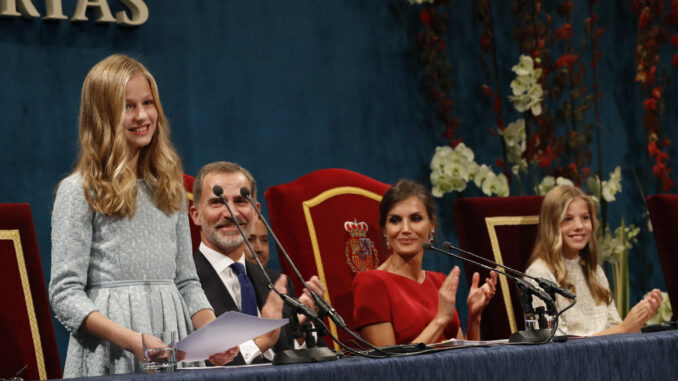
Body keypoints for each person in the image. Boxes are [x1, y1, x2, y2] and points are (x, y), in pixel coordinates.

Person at [48, 55, 238, 377]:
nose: (142, 116)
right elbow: (65, 294)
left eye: (148, 103)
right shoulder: (79, 190)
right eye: (127, 107)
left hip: (172, 341)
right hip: (112, 352)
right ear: (103, 116)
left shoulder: (170, 187)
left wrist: (212, 336)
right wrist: (133, 340)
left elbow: (187, 281)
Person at [189, 161, 326, 365]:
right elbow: (192, 365)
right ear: (196, 215)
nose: (231, 213)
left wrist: (300, 334)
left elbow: (291, 360)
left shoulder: (275, 283)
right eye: (218, 202)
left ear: (255, 211)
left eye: (241, 201)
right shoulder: (182, 284)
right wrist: (264, 340)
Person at [352, 179, 498, 346]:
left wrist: (474, 316)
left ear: (431, 226)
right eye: (395, 220)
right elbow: (388, 365)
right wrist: (440, 319)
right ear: (385, 230)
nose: (405, 229)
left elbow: (465, 356)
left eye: (415, 218)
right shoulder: (371, 283)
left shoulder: (439, 282)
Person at [525, 185, 663, 336]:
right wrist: (624, 328)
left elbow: (615, 328)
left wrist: (638, 320)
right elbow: (552, 343)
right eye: (568, 219)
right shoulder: (538, 274)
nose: (579, 226)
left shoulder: (594, 270)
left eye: (585, 218)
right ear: (551, 226)